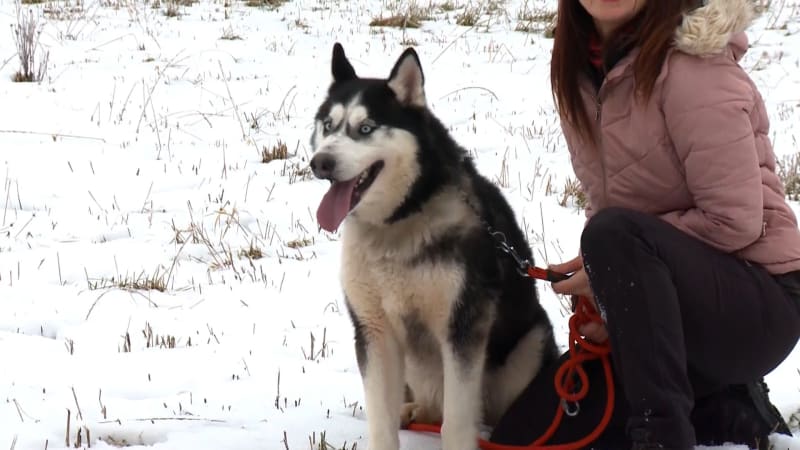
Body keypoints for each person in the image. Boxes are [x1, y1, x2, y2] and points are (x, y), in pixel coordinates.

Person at [490, 0, 800, 449]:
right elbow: (611, 208)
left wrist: (617, 263)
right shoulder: (580, 76)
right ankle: (720, 408)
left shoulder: (694, 67)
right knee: (525, 434)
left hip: (758, 302)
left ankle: (663, 436)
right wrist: (614, 294)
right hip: (667, 298)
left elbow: (735, 220)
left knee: (612, 236)